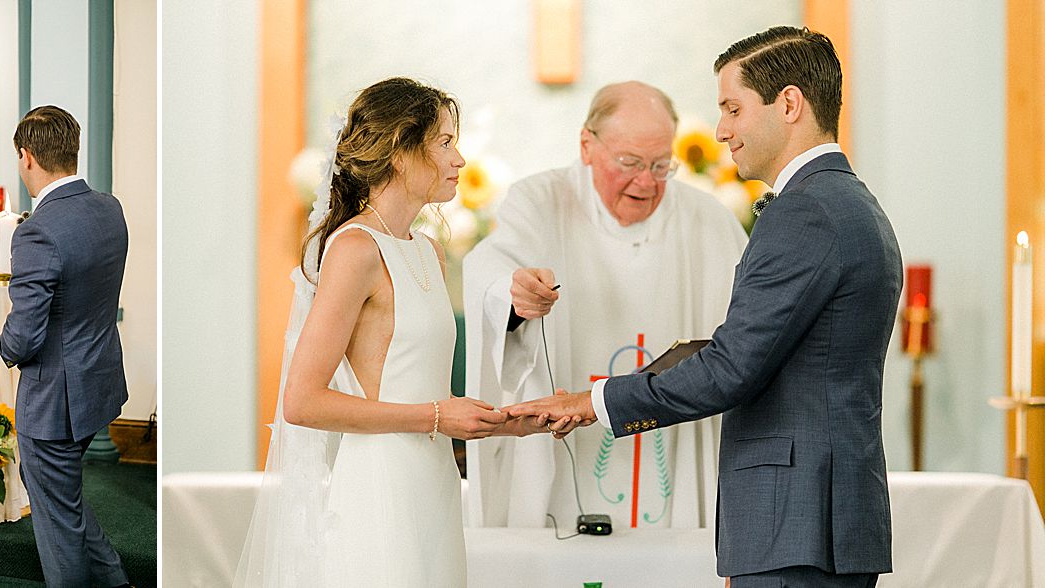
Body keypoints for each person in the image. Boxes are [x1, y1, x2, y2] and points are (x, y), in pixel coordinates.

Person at [507, 26, 901, 587]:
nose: (721, 131)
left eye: (733, 109)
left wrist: (593, 400)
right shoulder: (849, 200)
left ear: (789, 103)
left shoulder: (806, 212)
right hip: (816, 518)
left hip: (794, 523)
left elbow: (732, 368)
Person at [234, 77, 550, 587]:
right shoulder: (355, 249)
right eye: (445, 142)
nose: (460, 159)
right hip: (381, 485)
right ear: (401, 152)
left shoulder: (427, 250)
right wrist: (436, 415)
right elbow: (302, 401)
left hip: (433, 481)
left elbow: (423, 389)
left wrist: (515, 420)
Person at [463, 82, 746, 530]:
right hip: (562, 462)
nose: (646, 182)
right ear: (587, 145)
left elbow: (747, 341)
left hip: (676, 457)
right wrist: (513, 296)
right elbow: (492, 271)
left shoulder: (708, 220)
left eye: (660, 165)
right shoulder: (539, 202)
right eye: (630, 163)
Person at [0, 105, 131, 588]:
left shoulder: (36, 231)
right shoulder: (108, 208)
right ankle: (115, 580)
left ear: (26, 157)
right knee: (62, 498)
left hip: (54, 399)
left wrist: (2, 346)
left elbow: (25, 334)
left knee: (55, 522)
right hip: (96, 383)